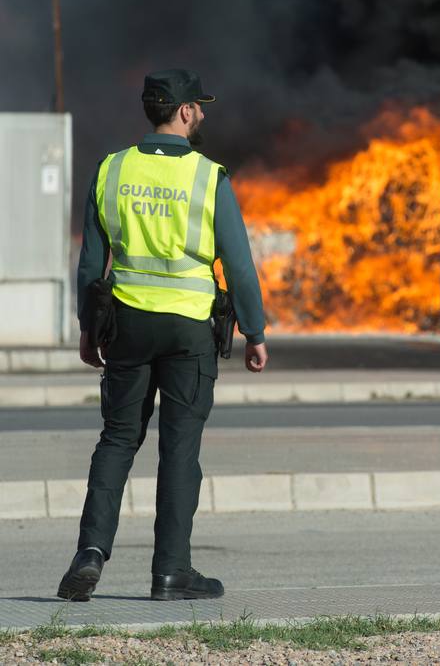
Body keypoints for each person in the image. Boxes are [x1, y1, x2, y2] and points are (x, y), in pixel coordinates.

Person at [57, 68, 268, 602]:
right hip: (189, 330)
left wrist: (88, 329)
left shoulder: (111, 170)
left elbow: (89, 264)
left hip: (126, 325)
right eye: (199, 105)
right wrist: (255, 330)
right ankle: (171, 573)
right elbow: (239, 266)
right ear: (185, 111)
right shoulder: (208, 175)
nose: (203, 113)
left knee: (117, 439)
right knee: (179, 449)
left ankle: (90, 552)